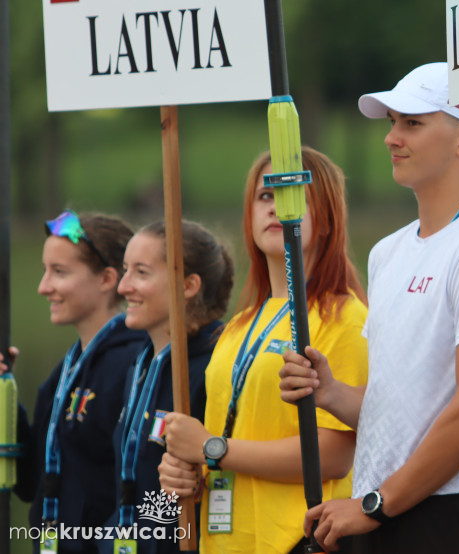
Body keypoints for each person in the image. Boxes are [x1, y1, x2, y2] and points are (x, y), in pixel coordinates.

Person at [280, 62, 459, 553]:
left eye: (412, 123)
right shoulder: (387, 251)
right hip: (381, 510)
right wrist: (332, 393)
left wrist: (375, 504)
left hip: (446, 512)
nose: (391, 137)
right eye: (391, 122)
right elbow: (402, 411)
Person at [158, 147, 368, 554]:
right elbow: (219, 440)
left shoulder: (345, 317)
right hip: (224, 541)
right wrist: (187, 468)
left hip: (298, 540)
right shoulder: (237, 327)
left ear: (326, 218)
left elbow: (334, 455)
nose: (275, 208)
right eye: (264, 196)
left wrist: (214, 449)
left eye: (294, 196)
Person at [3, 211, 146, 554]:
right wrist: (5, 397)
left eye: (59, 272)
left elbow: (146, 489)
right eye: (45, 271)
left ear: (107, 278)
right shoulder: (62, 375)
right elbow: (33, 481)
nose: (43, 287)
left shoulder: (138, 365)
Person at [98, 220, 233, 554]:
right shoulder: (140, 365)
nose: (123, 286)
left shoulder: (217, 366)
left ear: (188, 285)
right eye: (125, 270)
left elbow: (230, 481)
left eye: (141, 273)